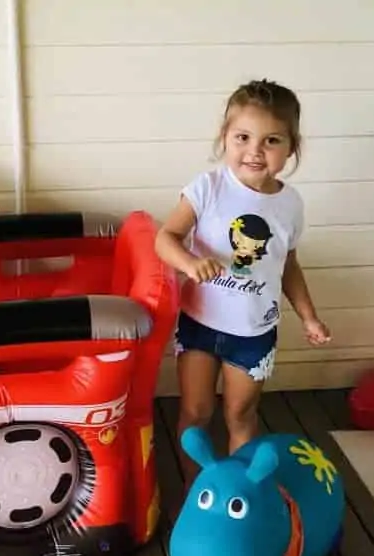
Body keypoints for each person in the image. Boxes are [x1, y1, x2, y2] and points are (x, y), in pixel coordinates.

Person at [154, 78, 331, 475]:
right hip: (200, 323)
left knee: (240, 414)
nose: (255, 150)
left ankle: (240, 499)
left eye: (271, 140)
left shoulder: (290, 204)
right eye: (243, 137)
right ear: (225, 138)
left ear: (291, 147)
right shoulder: (208, 188)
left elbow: (288, 265)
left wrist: (308, 316)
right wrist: (188, 262)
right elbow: (165, 238)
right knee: (196, 411)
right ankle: (194, 490)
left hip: (253, 332)